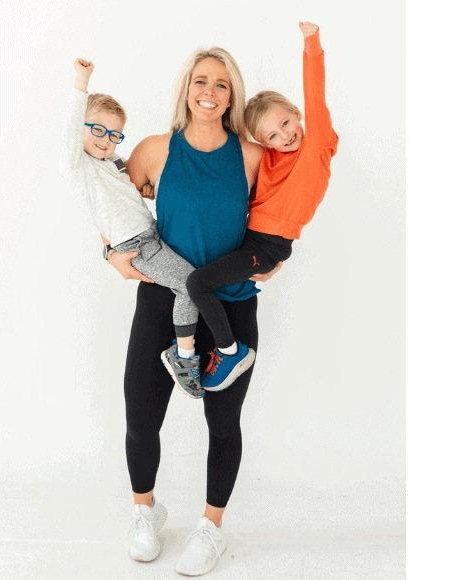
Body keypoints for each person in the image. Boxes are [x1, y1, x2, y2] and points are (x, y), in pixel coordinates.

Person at [106, 46, 278, 575]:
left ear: (233, 95)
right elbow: (112, 207)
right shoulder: (156, 150)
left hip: (230, 304)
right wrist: (109, 252)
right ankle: (145, 512)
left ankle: (210, 528)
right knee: (141, 416)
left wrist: (272, 259)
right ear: (185, 88)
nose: (210, 91)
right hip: (162, 300)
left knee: (223, 422)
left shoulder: (252, 156)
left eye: (221, 84)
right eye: (200, 81)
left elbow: (279, 219)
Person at [184, 21, 339, 392]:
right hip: (248, 240)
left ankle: (230, 351)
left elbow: (315, 94)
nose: (285, 136)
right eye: (273, 134)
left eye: (286, 123)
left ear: (297, 113)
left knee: (196, 283)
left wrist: (311, 43)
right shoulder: (267, 159)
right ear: (262, 141)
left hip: (266, 247)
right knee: (197, 273)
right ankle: (193, 342)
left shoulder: (315, 149)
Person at [59, 57, 205, 399]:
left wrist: (148, 190)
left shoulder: (113, 164)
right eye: (96, 129)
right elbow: (70, 128)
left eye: (113, 134)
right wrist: (82, 80)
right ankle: (183, 358)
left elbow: (133, 194)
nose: (105, 139)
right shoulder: (77, 168)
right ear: (81, 128)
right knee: (189, 285)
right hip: (137, 244)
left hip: (152, 232)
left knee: (195, 272)